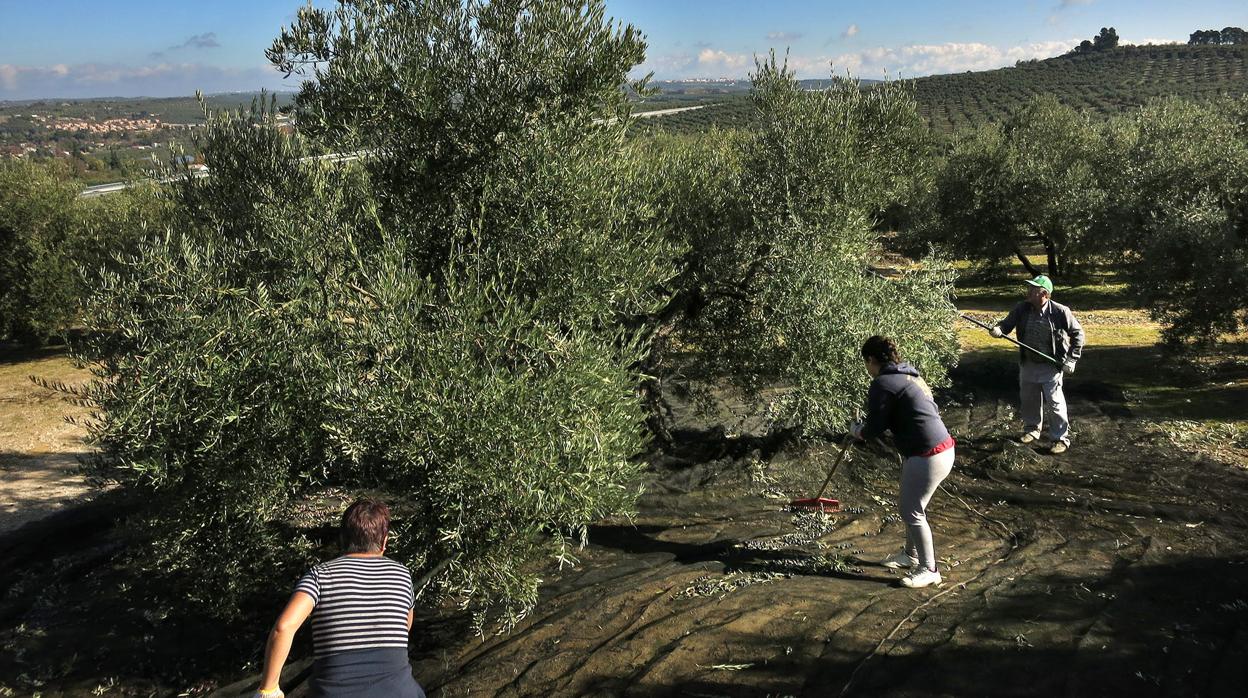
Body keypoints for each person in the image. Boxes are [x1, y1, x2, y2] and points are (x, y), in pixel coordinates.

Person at [253, 499, 425, 698]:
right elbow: (405, 627)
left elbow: (284, 628)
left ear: (342, 538)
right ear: (385, 541)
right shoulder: (402, 574)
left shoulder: (320, 576)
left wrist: (269, 689)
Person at [851, 336, 956, 589]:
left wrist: (857, 431)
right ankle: (911, 555)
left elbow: (875, 428)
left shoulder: (883, 383)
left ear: (871, 360)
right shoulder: (908, 374)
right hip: (940, 448)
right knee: (911, 506)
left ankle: (929, 569)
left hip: (929, 454)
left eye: (866, 363)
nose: (867, 368)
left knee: (912, 510)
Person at [988, 274, 1085, 455]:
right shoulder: (1022, 308)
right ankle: (1032, 429)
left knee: (1055, 404)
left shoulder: (1060, 312)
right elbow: (1007, 324)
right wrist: (999, 329)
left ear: (1045, 294)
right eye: (1029, 288)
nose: (1029, 292)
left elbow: (1078, 334)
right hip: (1029, 363)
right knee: (1029, 399)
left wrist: (1072, 359)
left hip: (1052, 366)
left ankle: (1060, 439)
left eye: (1033, 290)